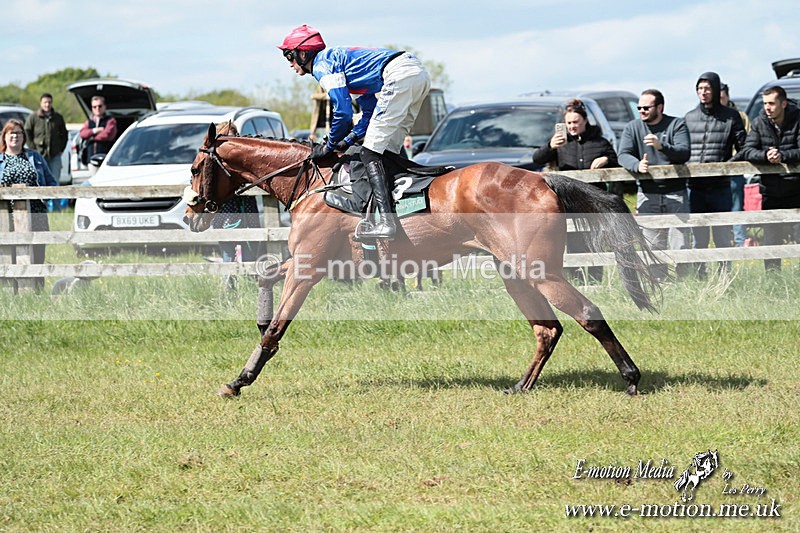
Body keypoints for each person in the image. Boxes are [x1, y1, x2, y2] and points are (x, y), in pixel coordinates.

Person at [278, 24, 431, 240]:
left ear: (302, 53)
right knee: (387, 150)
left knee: (370, 153)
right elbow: (368, 113)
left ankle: (387, 223)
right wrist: (348, 139)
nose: (291, 65)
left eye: (289, 57)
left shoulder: (323, 66)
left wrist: (329, 145)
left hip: (400, 75)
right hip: (417, 74)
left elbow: (343, 111)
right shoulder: (343, 66)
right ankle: (408, 208)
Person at [533, 98, 618, 283]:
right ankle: (576, 282)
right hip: (569, 202)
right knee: (573, 242)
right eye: (569, 123)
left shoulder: (600, 141)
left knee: (594, 242)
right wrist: (550, 147)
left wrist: (605, 159)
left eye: (576, 122)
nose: (572, 126)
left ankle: (596, 281)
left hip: (593, 200)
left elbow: (615, 159)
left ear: (585, 121)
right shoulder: (560, 142)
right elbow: (537, 159)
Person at [617, 89, 691, 280]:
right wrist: (636, 165)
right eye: (639, 107)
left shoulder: (677, 124)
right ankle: (660, 283)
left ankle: (684, 282)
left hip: (675, 192)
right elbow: (623, 154)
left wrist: (661, 146)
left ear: (659, 107)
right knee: (652, 244)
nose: (641, 111)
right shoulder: (632, 127)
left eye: (646, 107)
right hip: (647, 193)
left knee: (680, 242)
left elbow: (684, 153)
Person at [683, 72, 746, 277]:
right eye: (700, 88)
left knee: (721, 236)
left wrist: (727, 167)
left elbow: (744, 148)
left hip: (721, 187)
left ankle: (724, 277)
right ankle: (700, 277)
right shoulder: (689, 118)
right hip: (695, 187)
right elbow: (682, 149)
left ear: (716, 90)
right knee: (698, 238)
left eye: (707, 88)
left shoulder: (731, 117)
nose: (703, 93)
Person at [736, 85, 800, 272]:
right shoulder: (759, 122)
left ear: (784, 103)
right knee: (772, 242)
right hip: (770, 191)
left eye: (772, 103)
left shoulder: (798, 119)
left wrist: (783, 155)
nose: (767, 108)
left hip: (797, 190)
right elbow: (747, 150)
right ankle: (773, 281)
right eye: (765, 103)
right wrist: (765, 156)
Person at [0, 119, 57, 290]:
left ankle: (36, 292)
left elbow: (52, 183)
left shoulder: (35, 157)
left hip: (36, 213)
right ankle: (10, 292)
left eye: (18, 132)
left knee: (37, 252)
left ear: (23, 136)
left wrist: (43, 198)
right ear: (4, 137)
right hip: (6, 216)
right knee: (7, 253)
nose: (15, 136)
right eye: (11, 133)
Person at [720, 83, 752, 247]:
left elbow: (746, 144)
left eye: (722, 97)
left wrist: (733, 161)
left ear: (727, 97)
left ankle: (739, 242)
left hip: (734, 168)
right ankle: (723, 243)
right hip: (714, 171)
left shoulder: (740, 116)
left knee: (736, 205)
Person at [213, 196, 265, 290]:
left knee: (244, 259)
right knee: (230, 258)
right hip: (238, 216)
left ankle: (247, 289)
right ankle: (240, 289)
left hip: (236, 216)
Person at [24, 93, 68, 184]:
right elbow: (27, 132)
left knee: (55, 180)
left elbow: (64, 134)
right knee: (39, 179)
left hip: (55, 155)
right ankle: (41, 199)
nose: (47, 104)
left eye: (49, 102)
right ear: (41, 103)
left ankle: (55, 198)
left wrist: (61, 148)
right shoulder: (33, 117)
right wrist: (32, 148)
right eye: (45, 102)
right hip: (39, 154)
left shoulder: (58, 118)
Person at [78, 95, 118, 164]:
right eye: (94, 107)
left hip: (106, 159)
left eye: (100, 106)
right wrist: (95, 130)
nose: (97, 108)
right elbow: (82, 134)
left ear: (104, 107)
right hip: (91, 159)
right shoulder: (89, 122)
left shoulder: (110, 120)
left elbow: (107, 135)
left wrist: (90, 137)